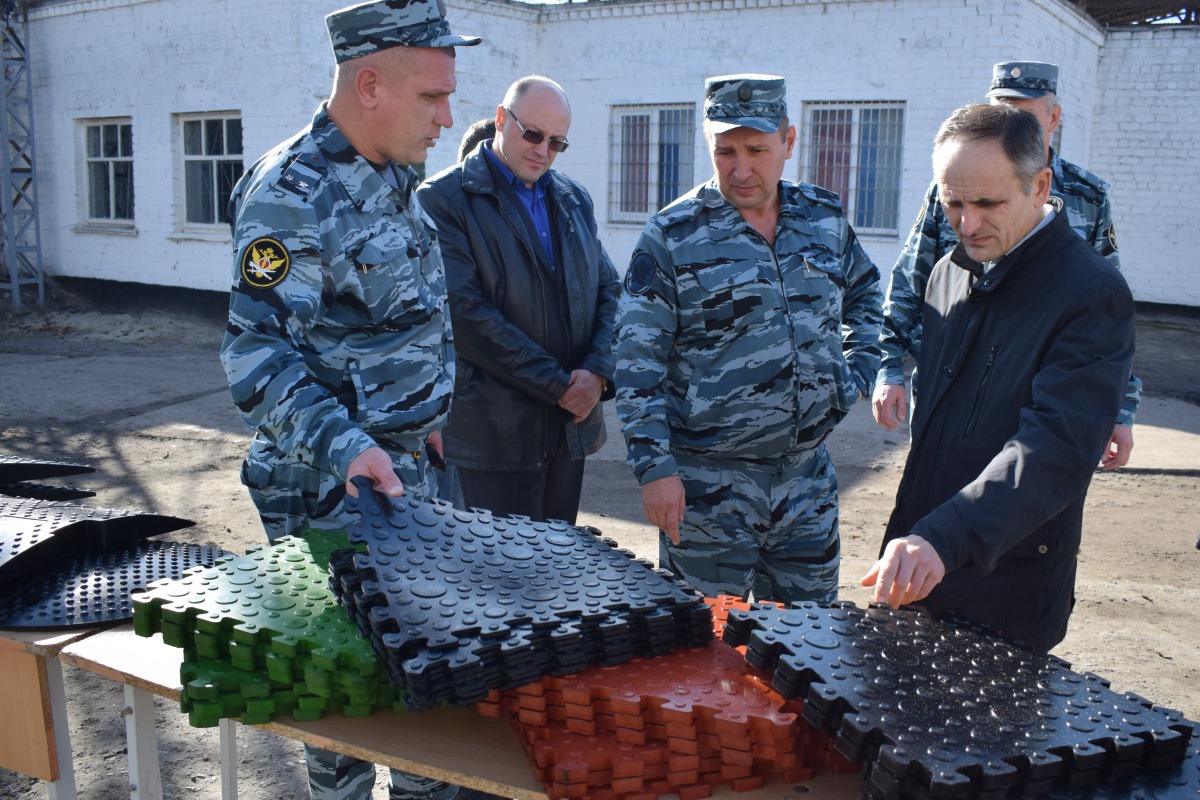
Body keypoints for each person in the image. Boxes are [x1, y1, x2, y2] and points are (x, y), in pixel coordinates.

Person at [219, 2, 500, 799]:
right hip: (329, 493)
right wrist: (352, 447)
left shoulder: (393, 178)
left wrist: (424, 424)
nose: (451, 118)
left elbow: (395, 323)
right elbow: (255, 354)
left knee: (423, 696)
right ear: (369, 84)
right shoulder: (293, 194)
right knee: (340, 707)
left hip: (403, 472)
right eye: (433, 98)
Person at [861, 102, 1135, 654]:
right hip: (920, 565)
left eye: (988, 203)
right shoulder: (948, 273)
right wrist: (918, 538)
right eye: (952, 202)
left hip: (1005, 587)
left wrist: (944, 537)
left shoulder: (1090, 294)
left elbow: (1054, 449)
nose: (966, 223)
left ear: (1040, 185)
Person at [613, 74, 882, 605]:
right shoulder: (673, 235)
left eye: (757, 149)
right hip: (708, 489)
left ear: (789, 141)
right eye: (725, 150)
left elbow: (867, 294)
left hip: (807, 483)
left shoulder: (822, 218)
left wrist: (855, 376)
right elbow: (635, 362)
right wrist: (655, 469)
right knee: (705, 658)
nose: (741, 169)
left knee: (811, 650)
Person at [873, 60, 1141, 470]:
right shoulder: (953, 189)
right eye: (999, 111)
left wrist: (1121, 407)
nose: (969, 219)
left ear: (1053, 118)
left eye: (1023, 116)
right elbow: (913, 276)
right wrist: (888, 366)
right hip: (948, 382)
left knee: (1022, 497)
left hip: (1034, 388)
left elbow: (1110, 309)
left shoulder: (1087, 194)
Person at [416, 76, 619, 524]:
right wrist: (561, 387)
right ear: (501, 119)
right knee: (499, 585)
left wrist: (599, 372)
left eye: (557, 142)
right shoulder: (443, 200)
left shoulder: (572, 199)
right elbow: (466, 316)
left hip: (570, 432)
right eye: (532, 134)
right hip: (495, 437)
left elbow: (610, 290)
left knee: (556, 574)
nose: (542, 150)